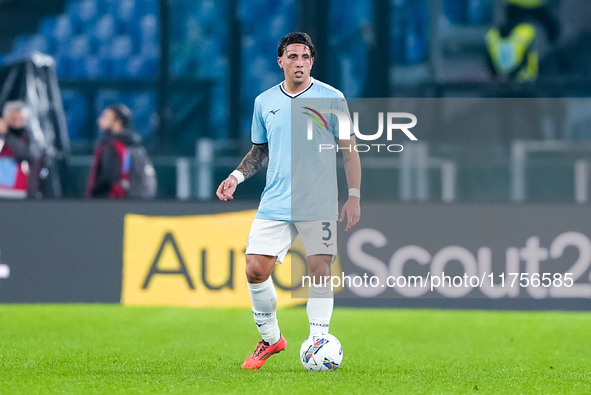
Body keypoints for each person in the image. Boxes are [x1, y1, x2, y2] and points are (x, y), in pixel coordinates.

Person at [216, 32, 361, 370]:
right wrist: (235, 177)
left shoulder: (332, 97)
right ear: (280, 61)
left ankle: (319, 341)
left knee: (319, 267)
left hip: (319, 201)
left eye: (305, 57)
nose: (299, 63)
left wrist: (353, 196)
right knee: (254, 269)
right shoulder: (264, 102)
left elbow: (349, 151)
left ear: (312, 61)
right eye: (293, 57)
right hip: (276, 201)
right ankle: (270, 339)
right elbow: (259, 151)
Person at [86, 104, 143, 198]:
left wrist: (95, 194)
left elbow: (108, 177)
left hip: (108, 201)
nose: (100, 120)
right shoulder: (134, 144)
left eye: (105, 117)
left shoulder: (112, 145)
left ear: (118, 123)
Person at [0, 101, 34, 199]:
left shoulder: (28, 136)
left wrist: (7, 134)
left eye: (20, 119)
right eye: (13, 119)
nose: (17, 123)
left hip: (18, 188)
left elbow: (23, 153)